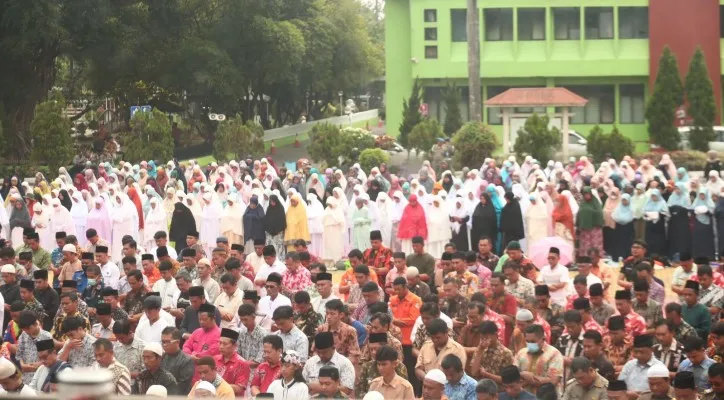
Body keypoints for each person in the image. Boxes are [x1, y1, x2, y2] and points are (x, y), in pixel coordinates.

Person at [514, 324, 563, 394]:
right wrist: (522, 374)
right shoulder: (521, 354)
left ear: (543, 339)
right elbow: (514, 375)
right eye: (527, 341)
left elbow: (553, 381)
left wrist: (531, 379)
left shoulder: (554, 354)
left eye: (533, 341)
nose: (530, 344)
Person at [16, 310, 52, 384]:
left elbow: (50, 358)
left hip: (41, 376)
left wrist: (39, 364)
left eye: (28, 329)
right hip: (25, 377)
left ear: (36, 324)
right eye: (24, 329)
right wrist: (23, 365)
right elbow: (19, 353)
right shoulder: (23, 335)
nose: (26, 331)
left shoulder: (46, 336)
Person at [160, 327, 195, 395]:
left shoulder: (187, 361)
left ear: (177, 342)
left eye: (168, 342)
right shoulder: (161, 357)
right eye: (163, 342)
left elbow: (182, 388)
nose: (164, 345)